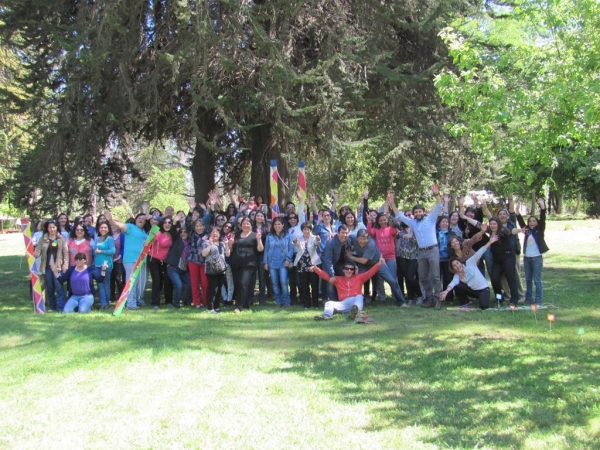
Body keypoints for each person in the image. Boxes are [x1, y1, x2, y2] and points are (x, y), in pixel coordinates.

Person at [394, 184, 444, 309]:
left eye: (420, 211)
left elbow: (439, 206)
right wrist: (391, 203)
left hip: (433, 250)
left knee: (435, 276)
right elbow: (399, 215)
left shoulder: (431, 219)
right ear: (414, 214)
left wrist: (436, 194)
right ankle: (429, 299)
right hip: (421, 252)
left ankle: (438, 299)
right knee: (423, 277)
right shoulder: (412, 223)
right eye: (416, 212)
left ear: (424, 212)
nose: (418, 213)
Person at [346, 229, 408, 306]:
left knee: (392, 281)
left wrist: (350, 256)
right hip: (364, 266)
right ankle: (355, 301)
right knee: (357, 280)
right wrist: (332, 234)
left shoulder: (371, 244)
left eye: (365, 239)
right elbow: (346, 235)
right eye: (360, 239)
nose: (362, 241)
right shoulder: (353, 238)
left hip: (377, 263)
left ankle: (402, 302)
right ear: (357, 238)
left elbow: (364, 260)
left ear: (368, 238)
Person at [311, 258, 385, 320]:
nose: (349, 271)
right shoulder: (338, 279)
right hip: (344, 303)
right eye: (347, 268)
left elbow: (370, 272)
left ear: (353, 270)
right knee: (329, 303)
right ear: (343, 270)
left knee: (359, 296)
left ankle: (356, 312)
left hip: (356, 301)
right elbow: (327, 277)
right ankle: (327, 315)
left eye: (351, 269)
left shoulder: (359, 278)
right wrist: (316, 269)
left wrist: (379, 263)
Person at [104, 211, 150, 310]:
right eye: (139, 218)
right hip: (131, 259)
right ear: (135, 220)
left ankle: (138, 300)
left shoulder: (145, 233)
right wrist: (111, 220)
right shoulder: (130, 227)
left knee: (142, 282)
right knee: (132, 281)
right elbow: (119, 225)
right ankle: (130, 303)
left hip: (143, 260)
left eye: (143, 219)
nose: (141, 220)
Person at [440, 235, 499, 309]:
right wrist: (446, 291)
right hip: (473, 291)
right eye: (454, 266)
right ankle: (465, 301)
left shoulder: (470, 262)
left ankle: (483, 298)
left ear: (461, 262)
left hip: (483, 289)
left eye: (457, 263)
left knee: (484, 306)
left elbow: (480, 252)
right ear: (454, 268)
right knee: (458, 286)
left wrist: (490, 242)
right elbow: (453, 282)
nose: (457, 266)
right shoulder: (458, 275)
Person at [516, 198, 549, 306]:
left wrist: (542, 206)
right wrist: (517, 212)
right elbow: (521, 222)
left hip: (536, 258)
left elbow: (543, 218)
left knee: (537, 280)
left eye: (534, 221)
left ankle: (538, 299)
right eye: (530, 221)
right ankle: (528, 298)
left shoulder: (539, 230)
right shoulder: (527, 230)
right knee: (528, 279)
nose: (532, 223)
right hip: (527, 258)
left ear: (537, 223)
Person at [228, 217, 264, 313]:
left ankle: (239, 307)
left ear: (251, 225)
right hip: (236, 263)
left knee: (244, 283)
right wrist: (230, 244)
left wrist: (259, 239)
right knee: (238, 284)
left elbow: (260, 249)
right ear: (241, 225)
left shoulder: (255, 235)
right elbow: (230, 250)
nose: (246, 225)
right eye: (244, 223)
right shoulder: (236, 235)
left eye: (248, 223)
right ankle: (246, 303)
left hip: (249, 264)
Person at [34, 218, 69, 312]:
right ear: (47, 228)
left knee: (59, 287)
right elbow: (38, 251)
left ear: (56, 228)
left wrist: (65, 265)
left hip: (58, 267)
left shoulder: (61, 239)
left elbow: (65, 253)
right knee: (50, 288)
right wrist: (31, 254)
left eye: (54, 227)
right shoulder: (43, 239)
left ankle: (61, 307)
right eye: (50, 228)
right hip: (47, 267)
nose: (52, 229)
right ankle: (52, 307)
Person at [487, 216, 521, 309]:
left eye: (494, 224)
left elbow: (511, 232)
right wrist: (464, 216)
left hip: (508, 257)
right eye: (491, 224)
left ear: (498, 224)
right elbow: (477, 224)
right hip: (497, 260)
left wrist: (519, 230)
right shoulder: (490, 231)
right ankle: (499, 298)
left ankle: (514, 300)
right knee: (494, 279)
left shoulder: (502, 231)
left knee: (511, 278)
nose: (492, 225)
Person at [263, 218, 293, 308]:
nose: (277, 226)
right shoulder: (269, 236)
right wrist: (266, 262)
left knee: (283, 282)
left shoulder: (287, 235)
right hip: (272, 263)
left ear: (283, 225)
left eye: (279, 224)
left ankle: (287, 302)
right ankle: (278, 301)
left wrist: (288, 259)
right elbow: (266, 250)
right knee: (275, 283)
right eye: (275, 224)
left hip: (283, 262)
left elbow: (291, 248)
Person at [147, 216, 175, 309]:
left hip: (165, 261)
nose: (167, 224)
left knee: (167, 280)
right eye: (165, 222)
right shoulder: (158, 233)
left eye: (169, 222)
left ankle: (169, 302)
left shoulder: (172, 234)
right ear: (162, 224)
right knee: (157, 281)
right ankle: (155, 303)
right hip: (153, 259)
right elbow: (148, 242)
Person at [201, 227, 231, 313]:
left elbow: (227, 254)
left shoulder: (222, 243)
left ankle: (217, 306)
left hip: (221, 269)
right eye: (213, 232)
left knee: (219, 288)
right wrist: (210, 245)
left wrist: (227, 244)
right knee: (213, 289)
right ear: (210, 234)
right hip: (211, 269)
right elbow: (204, 254)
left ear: (219, 234)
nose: (215, 234)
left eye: (217, 232)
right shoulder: (206, 242)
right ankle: (210, 308)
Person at [293, 222, 322, 308]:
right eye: (304, 229)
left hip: (313, 265)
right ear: (302, 230)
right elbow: (295, 244)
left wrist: (318, 239)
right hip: (302, 265)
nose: (306, 231)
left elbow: (317, 243)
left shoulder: (314, 238)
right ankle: (307, 304)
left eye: (308, 229)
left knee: (314, 285)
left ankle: (316, 304)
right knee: (304, 286)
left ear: (310, 230)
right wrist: (295, 242)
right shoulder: (299, 239)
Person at [395, 213, 422, 305]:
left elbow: (421, 240)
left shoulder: (416, 229)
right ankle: (410, 297)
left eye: (409, 216)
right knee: (406, 277)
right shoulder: (400, 229)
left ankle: (419, 295)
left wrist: (412, 237)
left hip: (413, 256)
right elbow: (391, 220)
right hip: (402, 256)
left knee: (410, 277)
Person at [320, 224, 351, 301]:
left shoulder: (348, 240)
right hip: (327, 264)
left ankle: (343, 297)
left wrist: (354, 266)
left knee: (347, 273)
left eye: (346, 233)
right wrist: (332, 274)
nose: (345, 235)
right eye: (343, 232)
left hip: (339, 264)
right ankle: (327, 299)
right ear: (338, 233)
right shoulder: (331, 242)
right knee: (329, 280)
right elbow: (328, 260)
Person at [165, 226, 192, 308]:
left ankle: (187, 302)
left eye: (185, 232)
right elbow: (173, 231)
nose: (183, 234)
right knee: (179, 285)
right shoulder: (177, 240)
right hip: (173, 268)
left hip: (184, 269)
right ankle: (176, 303)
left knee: (190, 284)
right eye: (181, 232)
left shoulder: (190, 243)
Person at [93, 222, 115, 309]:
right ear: (99, 229)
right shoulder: (97, 238)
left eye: (105, 228)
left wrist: (102, 251)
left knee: (105, 284)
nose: (103, 229)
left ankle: (107, 303)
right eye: (101, 227)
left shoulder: (109, 239)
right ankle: (103, 304)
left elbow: (113, 251)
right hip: (97, 265)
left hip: (106, 265)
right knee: (100, 284)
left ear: (108, 229)